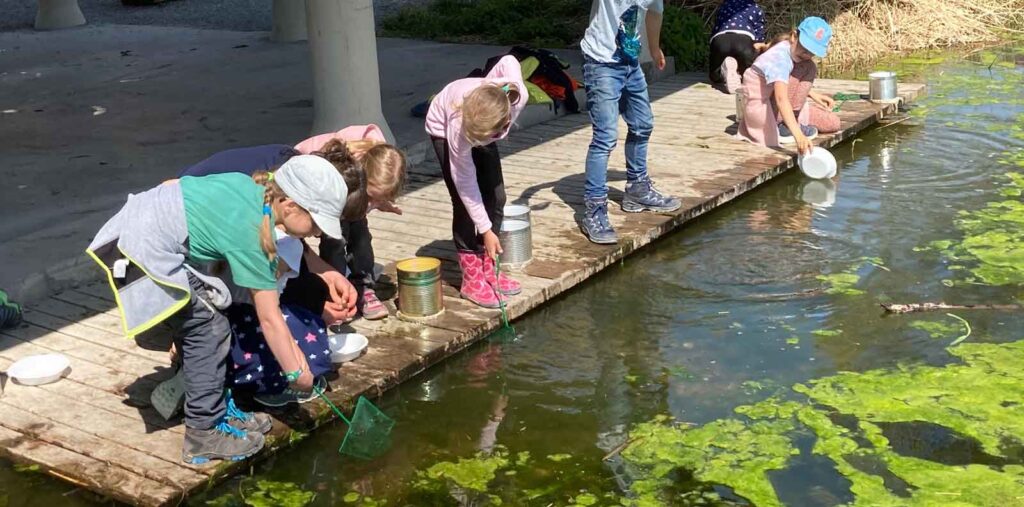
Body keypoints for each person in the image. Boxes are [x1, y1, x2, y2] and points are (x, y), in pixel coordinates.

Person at [87, 154, 351, 464]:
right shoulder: (254, 235)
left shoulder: (255, 190)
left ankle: (216, 405)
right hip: (142, 246)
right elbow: (270, 319)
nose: (317, 234)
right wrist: (298, 373)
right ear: (290, 206)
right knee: (207, 328)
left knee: (213, 317)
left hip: (151, 231)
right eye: (317, 225)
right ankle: (203, 432)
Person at [425, 55, 526, 309]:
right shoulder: (460, 127)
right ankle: (471, 278)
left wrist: (489, 232)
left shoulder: (516, 96)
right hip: (443, 127)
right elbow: (465, 182)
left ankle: (488, 265)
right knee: (464, 203)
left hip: (484, 121)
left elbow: (509, 60)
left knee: (496, 196)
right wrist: (485, 227)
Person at [579, 0, 682, 245]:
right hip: (600, 62)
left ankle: (637, 189)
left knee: (642, 124)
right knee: (605, 138)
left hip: (629, 60)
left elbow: (655, 12)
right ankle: (594, 210)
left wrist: (655, 49)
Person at [294, 125, 408, 320]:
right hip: (327, 195)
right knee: (335, 241)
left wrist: (380, 203)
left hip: (351, 200)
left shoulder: (382, 161)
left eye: (379, 199)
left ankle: (363, 286)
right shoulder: (342, 159)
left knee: (361, 238)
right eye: (371, 197)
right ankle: (336, 290)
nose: (372, 203)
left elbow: (372, 196)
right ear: (361, 178)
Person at [738, 17, 840, 153]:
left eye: (812, 52)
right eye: (805, 48)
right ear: (794, 36)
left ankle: (791, 122)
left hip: (781, 105)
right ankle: (785, 125)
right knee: (808, 67)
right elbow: (781, 99)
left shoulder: (790, 50)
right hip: (764, 108)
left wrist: (813, 94)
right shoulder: (780, 58)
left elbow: (784, 85)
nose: (807, 54)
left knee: (833, 123)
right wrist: (799, 136)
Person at [709, 0, 768, 94]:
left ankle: (722, 73)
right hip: (744, 40)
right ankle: (739, 72)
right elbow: (759, 34)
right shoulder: (755, 7)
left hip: (721, 39)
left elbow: (716, 25)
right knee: (748, 70)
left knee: (714, 75)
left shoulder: (724, 5)